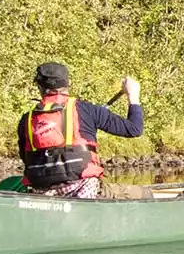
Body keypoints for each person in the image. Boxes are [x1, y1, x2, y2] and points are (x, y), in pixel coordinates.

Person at [18, 62, 147, 199]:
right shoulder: (87, 110)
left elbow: (26, 158)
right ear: (68, 83)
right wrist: (133, 95)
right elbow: (134, 129)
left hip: (40, 193)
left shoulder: (27, 119)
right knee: (145, 194)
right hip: (84, 189)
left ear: (39, 87)